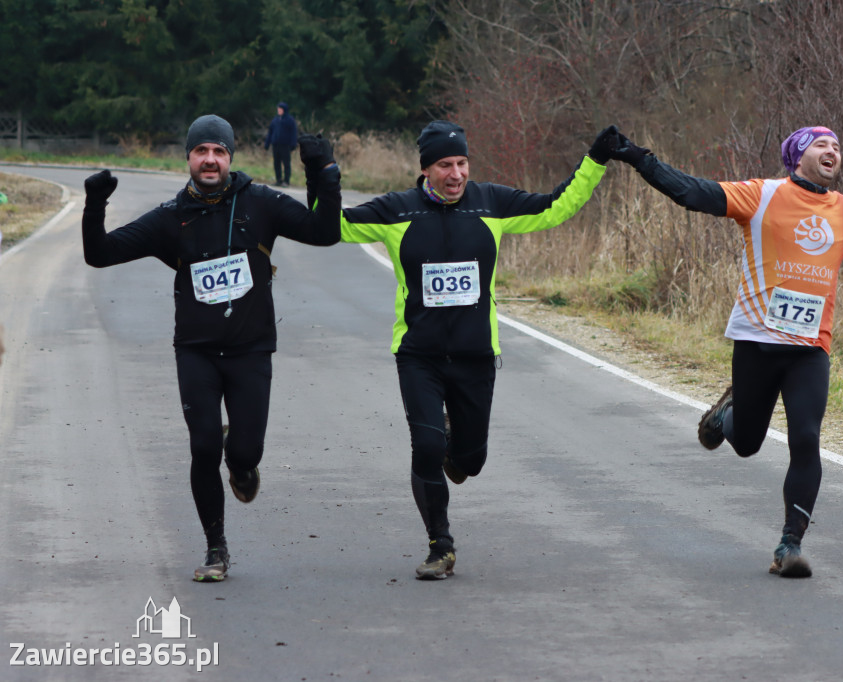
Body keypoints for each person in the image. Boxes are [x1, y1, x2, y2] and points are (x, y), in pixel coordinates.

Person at [608, 126, 843, 578]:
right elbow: (692, 193)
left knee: (807, 438)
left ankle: (789, 545)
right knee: (749, 445)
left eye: (837, 146)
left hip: (810, 348)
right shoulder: (761, 195)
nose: (832, 150)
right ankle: (725, 416)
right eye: (822, 144)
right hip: (758, 342)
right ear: (798, 155)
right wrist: (640, 158)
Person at [311, 120, 619, 579]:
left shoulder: (491, 203)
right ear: (425, 170)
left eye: (461, 163)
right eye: (444, 165)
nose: (455, 174)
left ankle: (458, 442)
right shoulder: (398, 212)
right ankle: (441, 545)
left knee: (469, 461)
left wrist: (595, 160)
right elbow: (329, 226)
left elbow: (557, 207)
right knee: (427, 447)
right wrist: (321, 173)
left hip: (475, 357)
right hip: (419, 355)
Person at [82, 114, 341, 582]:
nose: (210, 159)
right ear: (188, 158)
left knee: (244, 453)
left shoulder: (260, 203)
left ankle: (241, 465)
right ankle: (216, 548)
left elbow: (325, 231)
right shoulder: (170, 218)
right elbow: (99, 253)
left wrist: (319, 171)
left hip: (250, 351)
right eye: (201, 151)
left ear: (230, 158)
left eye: (219, 151)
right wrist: (95, 202)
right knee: (203, 447)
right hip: (197, 351)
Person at [264, 102, 299, 187]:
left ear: (284, 110)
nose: (278, 110)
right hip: (276, 145)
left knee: (286, 163)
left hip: (285, 145)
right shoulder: (275, 120)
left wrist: (293, 144)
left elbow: (294, 133)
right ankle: (278, 180)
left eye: (280, 109)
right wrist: (267, 143)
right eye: (278, 109)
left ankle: (286, 181)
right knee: (276, 163)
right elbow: (270, 132)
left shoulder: (290, 120)